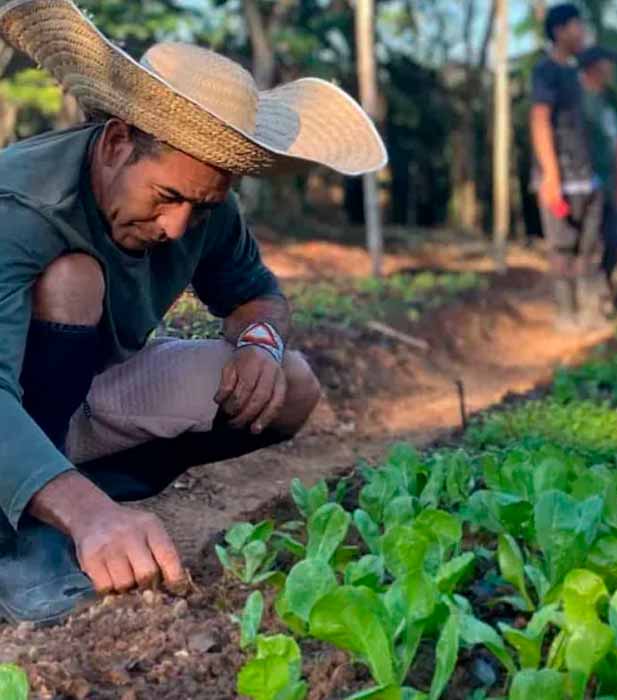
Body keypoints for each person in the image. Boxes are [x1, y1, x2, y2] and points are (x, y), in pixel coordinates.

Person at [0, 0, 386, 624]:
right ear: (118, 141)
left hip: (74, 405)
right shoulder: (19, 205)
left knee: (290, 385)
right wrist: (91, 517)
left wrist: (260, 341)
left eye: (199, 207)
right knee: (73, 281)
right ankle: (28, 538)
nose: (178, 225)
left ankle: (77, 499)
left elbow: (256, 293)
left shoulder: (203, 205)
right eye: (168, 197)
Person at [529, 3, 606, 330]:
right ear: (559, 31)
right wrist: (550, 176)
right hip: (559, 177)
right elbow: (540, 120)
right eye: (577, 26)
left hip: (587, 177)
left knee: (588, 248)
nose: (582, 32)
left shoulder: (576, 75)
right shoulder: (545, 70)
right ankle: (565, 313)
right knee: (562, 247)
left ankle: (589, 312)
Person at [577, 45, 617, 312]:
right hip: (588, 182)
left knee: (615, 239)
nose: (612, 70)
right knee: (589, 241)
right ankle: (587, 299)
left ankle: (603, 286)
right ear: (595, 66)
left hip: (610, 183)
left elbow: (614, 136)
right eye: (608, 64)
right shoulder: (580, 99)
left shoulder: (606, 100)